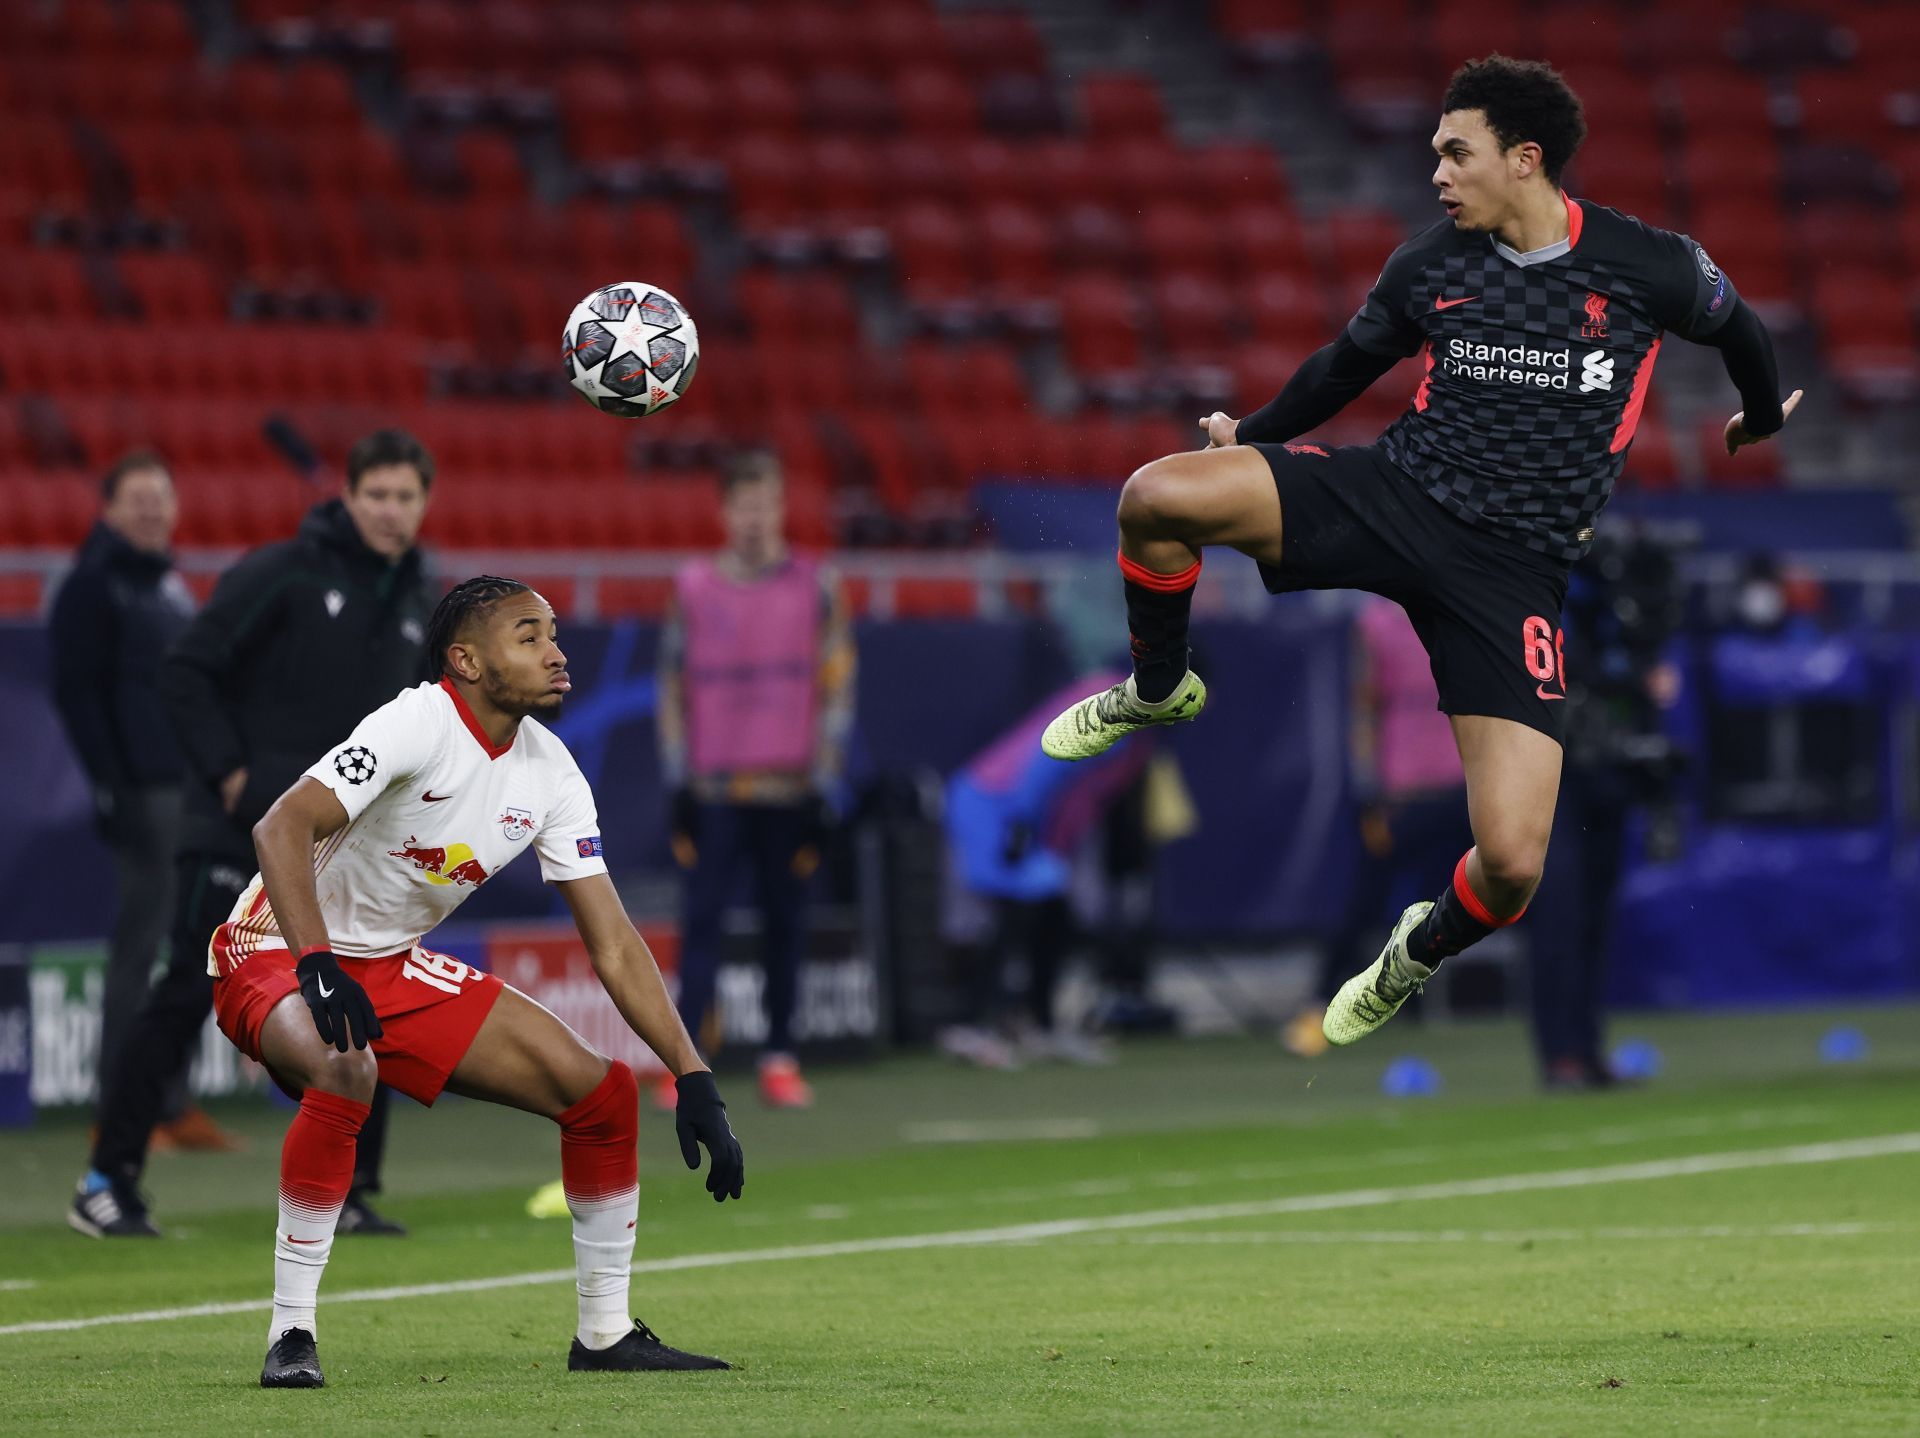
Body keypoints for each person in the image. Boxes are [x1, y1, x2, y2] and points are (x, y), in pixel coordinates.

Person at [1041, 56, 1800, 1046]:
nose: (1436, 173)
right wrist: (1255, 434)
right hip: (1397, 496)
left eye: (1456, 152)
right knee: (1156, 497)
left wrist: (1755, 419)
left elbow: (1742, 329)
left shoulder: (1647, 264)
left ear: (1523, 159)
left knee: (1515, 862)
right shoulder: (1431, 265)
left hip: (1513, 570)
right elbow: (1342, 370)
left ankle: (1411, 955)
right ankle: (1157, 686)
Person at [224, 575, 743, 1386]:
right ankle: (291, 1334)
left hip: (390, 964)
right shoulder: (416, 720)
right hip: (275, 948)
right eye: (528, 636)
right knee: (345, 1063)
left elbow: (612, 942)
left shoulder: (553, 774)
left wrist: (693, 1071)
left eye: (555, 634)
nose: (557, 653)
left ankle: (604, 1335)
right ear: (465, 659)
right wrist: (319, 966)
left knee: (601, 1095)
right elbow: (279, 825)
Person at [71, 430, 439, 1239]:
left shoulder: (422, 600)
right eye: (375, 494)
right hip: (241, 831)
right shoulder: (283, 571)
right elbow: (186, 670)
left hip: (346, 847)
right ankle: (107, 1178)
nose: (389, 511)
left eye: (404, 497)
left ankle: (346, 1192)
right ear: (346, 495)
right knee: (183, 994)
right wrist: (236, 779)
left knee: (359, 994)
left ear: (424, 504)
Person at [655, 450, 856, 1109]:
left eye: (765, 503)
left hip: (788, 789)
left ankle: (779, 1057)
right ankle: (688, 1068)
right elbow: (671, 685)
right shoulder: (691, 586)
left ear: (781, 506)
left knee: (784, 924)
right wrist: (676, 778)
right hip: (714, 790)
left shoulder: (816, 585)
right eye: (742, 504)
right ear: (724, 510)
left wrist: (826, 783)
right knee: (703, 923)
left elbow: (837, 685)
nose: (753, 517)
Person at [47, 451, 225, 1145]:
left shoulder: (169, 585)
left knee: (186, 945)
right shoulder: (93, 586)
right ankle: (117, 1110)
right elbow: (79, 694)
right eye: (138, 499)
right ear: (109, 509)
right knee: (142, 943)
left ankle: (168, 1103)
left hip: (184, 785)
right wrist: (110, 784)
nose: (152, 509)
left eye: (162, 498)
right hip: (144, 791)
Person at [1284, 598, 1468, 1058]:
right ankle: (1321, 1004)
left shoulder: (1456, 608)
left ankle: (1411, 1006)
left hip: (1460, 784)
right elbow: (1363, 708)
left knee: (1441, 903)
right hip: (1399, 794)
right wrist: (1369, 790)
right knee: (1366, 900)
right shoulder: (1375, 623)